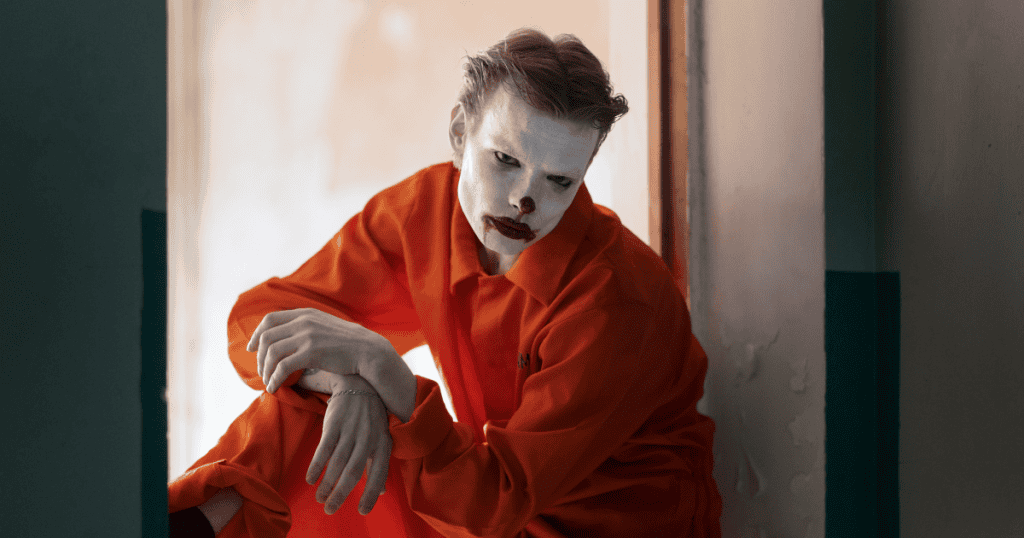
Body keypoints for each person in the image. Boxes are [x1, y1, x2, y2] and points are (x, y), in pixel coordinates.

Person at [168, 27, 722, 537]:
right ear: (460, 132)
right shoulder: (427, 212)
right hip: (481, 508)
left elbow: (498, 502)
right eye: (505, 159)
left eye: (558, 181)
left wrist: (389, 375)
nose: (524, 201)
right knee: (300, 402)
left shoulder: (616, 301)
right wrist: (350, 382)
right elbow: (260, 324)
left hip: (587, 527)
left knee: (338, 396)